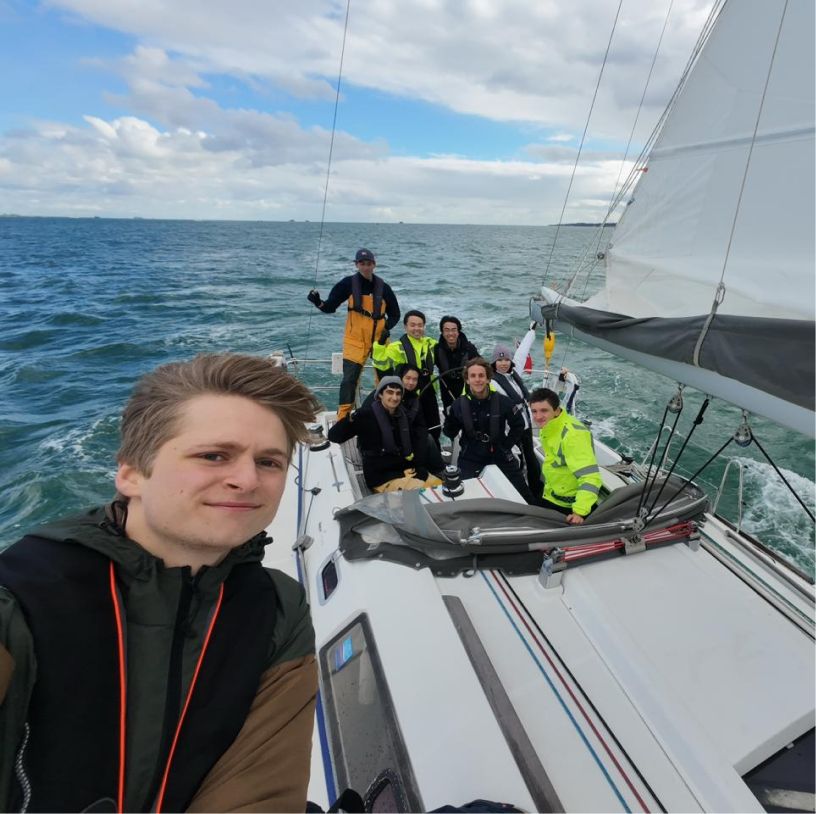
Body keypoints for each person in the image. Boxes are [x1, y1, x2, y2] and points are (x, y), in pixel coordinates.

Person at [0, 354, 323, 812]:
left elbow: (257, 795)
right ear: (131, 473)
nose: (247, 480)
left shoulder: (277, 610)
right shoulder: (17, 600)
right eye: (214, 455)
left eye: (269, 462)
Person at [307, 248, 400, 419]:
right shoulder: (347, 284)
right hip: (354, 341)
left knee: (387, 380)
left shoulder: (384, 287)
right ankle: (343, 418)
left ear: (374, 264)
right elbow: (330, 307)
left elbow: (396, 314)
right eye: (362, 263)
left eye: (369, 263)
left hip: (380, 342)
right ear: (356, 264)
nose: (366, 267)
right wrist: (318, 302)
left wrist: (386, 329)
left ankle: (387, 414)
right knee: (349, 381)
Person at [328, 376, 442, 493]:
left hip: (404, 469)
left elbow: (413, 444)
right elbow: (334, 436)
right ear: (380, 394)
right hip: (381, 477)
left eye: (398, 393)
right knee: (424, 492)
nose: (394, 397)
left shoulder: (403, 416)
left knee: (439, 485)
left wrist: (419, 467)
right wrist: (350, 420)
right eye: (390, 392)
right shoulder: (365, 416)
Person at [443, 358, 535, 503]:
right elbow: (450, 432)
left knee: (525, 495)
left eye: (481, 376)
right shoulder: (458, 405)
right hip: (470, 456)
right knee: (464, 496)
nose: (477, 380)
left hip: (500, 452)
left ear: (488, 378)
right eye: (473, 376)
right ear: (467, 380)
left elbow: (518, 424)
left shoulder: (503, 402)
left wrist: (506, 445)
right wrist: (449, 419)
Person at [529, 387, 603, 524]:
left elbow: (590, 477)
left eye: (544, 410)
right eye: (534, 411)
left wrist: (579, 512)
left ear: (557, 410)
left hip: (569, 505)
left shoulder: (573, 435)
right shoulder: (551, 426)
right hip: (551, 494)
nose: (538, 417)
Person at [372, 309, 441, 445]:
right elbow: (381, 365)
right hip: (408, 395)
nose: (417, 328)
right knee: (411, 428)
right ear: (405, 327)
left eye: (420, 325)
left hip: (429, 391)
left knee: (434, 426)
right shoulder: (397, 347)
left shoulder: (431, 344)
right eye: (413, 325)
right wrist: (380, 345)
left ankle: (434, 451)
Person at [489, 327, 543, 499]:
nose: (503, 363)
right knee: (519, 463)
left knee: (532, 461)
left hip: (525, 427)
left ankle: (537, 491)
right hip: (510, 431)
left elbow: (522, 352)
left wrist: (531, 331)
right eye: (499, 360)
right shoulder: (492, 383)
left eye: (506, 359)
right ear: (494, 363)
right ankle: (522, 494)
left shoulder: (514, 374)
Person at [434, 315, 479, 413]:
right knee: (450, 417)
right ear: (442, 332)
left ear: (458, 332)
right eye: (446, 330)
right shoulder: (436, 349)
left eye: (454, 330)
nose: (450, 333)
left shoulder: (470, 349)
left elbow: (482, 366)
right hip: (447, 390)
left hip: (467, 388)